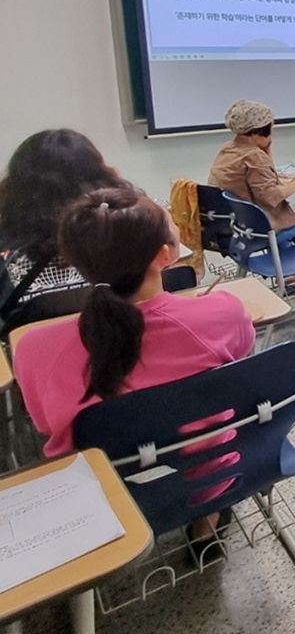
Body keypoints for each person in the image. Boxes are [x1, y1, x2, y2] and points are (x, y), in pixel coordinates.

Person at [13, 188, 254, 549]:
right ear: (165, 255)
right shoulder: (224, 312)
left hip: (102, 500)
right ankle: (207, 523)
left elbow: (46, 425)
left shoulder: (33, 348)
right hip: (209, 474)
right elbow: (241, 365)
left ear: (76, 261)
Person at [0, 129, 129, 319]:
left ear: (16, 186)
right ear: (100, 178)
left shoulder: (7, 244)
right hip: (113, 334)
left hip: (29, 337)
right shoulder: (123, 232)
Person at [208, 100, 295, 245]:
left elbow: (268, 178)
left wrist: (266, 151)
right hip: (262, 226)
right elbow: (271, 197)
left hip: (238, 225)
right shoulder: (253, 156)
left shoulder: (228, 148)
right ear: (260, 130)